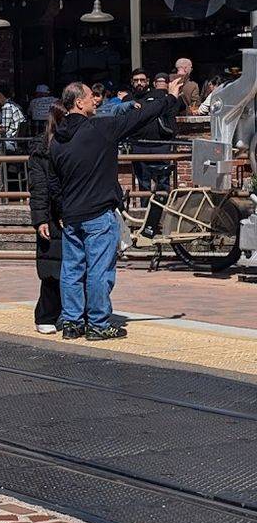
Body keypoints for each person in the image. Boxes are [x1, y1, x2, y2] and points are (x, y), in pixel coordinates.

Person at [49, 75, 182, 340]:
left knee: (72, 269)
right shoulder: (100, 129)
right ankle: (98, 323)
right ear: (78, 103)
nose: (95, 101)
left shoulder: (57, 142)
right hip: (98, 212)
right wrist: (169, 97)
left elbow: (54, 183)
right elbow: (139, 117)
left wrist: (62, 210)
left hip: (72, 216)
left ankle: (73, 322)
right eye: (90, 97)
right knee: (99, 270)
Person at [28, 102, 66, 335]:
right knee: (53, 267)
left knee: (71, 267)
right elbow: (39, 188)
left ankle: (67, 313)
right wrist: (41, 218)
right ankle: (47, 314)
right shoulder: (41, 151)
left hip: (71, 212)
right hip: (53, 215)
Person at [123, 68, 173, 201]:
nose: (139, 83)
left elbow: (175, 108)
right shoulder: (127, 100)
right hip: (138, 145)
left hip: (160, 144)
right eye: (136, 80)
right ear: (131, 82)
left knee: (163, 183)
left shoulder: (159, 95)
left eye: (142, 80)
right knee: (143, 184)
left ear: (148, 82)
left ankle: (164, 213)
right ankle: (145, 213)